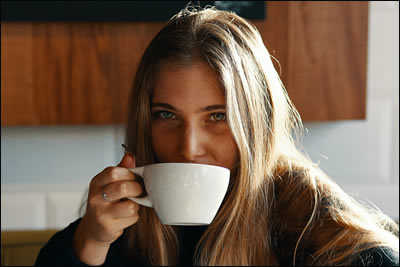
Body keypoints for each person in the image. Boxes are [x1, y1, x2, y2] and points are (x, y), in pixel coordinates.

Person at [35, 5, 399, 266]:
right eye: (166, 115)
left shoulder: (307, 222)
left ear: (258, 122)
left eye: (217, 117)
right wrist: (89, 242)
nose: (188, 148)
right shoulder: (126, 228)